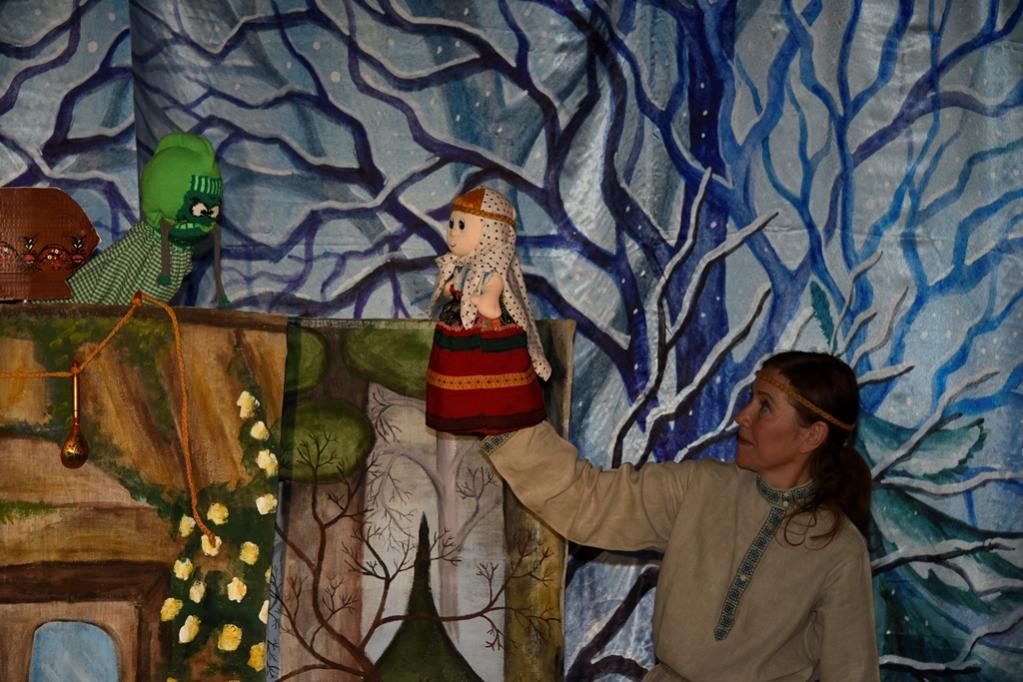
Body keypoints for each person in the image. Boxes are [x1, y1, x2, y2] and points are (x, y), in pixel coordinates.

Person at [481, 351, 879, 681]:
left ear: (811, 435)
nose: (743, 416)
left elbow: (851, 672)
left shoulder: (839, 548)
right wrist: (500, 408)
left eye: (765, 406)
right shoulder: (699, 488)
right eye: (750, 400)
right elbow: (587, 500)